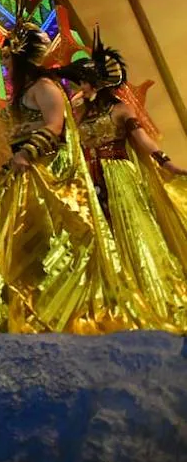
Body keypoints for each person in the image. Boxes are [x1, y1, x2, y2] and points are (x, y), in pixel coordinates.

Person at [0, 16, 140, 334]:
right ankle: (31, 315)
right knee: (16, 247)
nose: (4, 62)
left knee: (46, 245)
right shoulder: (25, 91)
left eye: (7, 56)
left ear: (21, 56)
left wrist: (27, 153)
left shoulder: (45, 87)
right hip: (22, 177)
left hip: (45, 174)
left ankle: (59, 314)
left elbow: (54, 126)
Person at [62, 30, 187, 331]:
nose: (80, 87)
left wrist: (166, 162)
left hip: (118, 175)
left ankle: (147, 293)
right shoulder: (80, 114)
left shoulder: (121, 110)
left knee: (130, 229)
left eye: (83, 82)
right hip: (88, 181)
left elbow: (142, 139)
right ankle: (111, 297)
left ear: (96, 84)